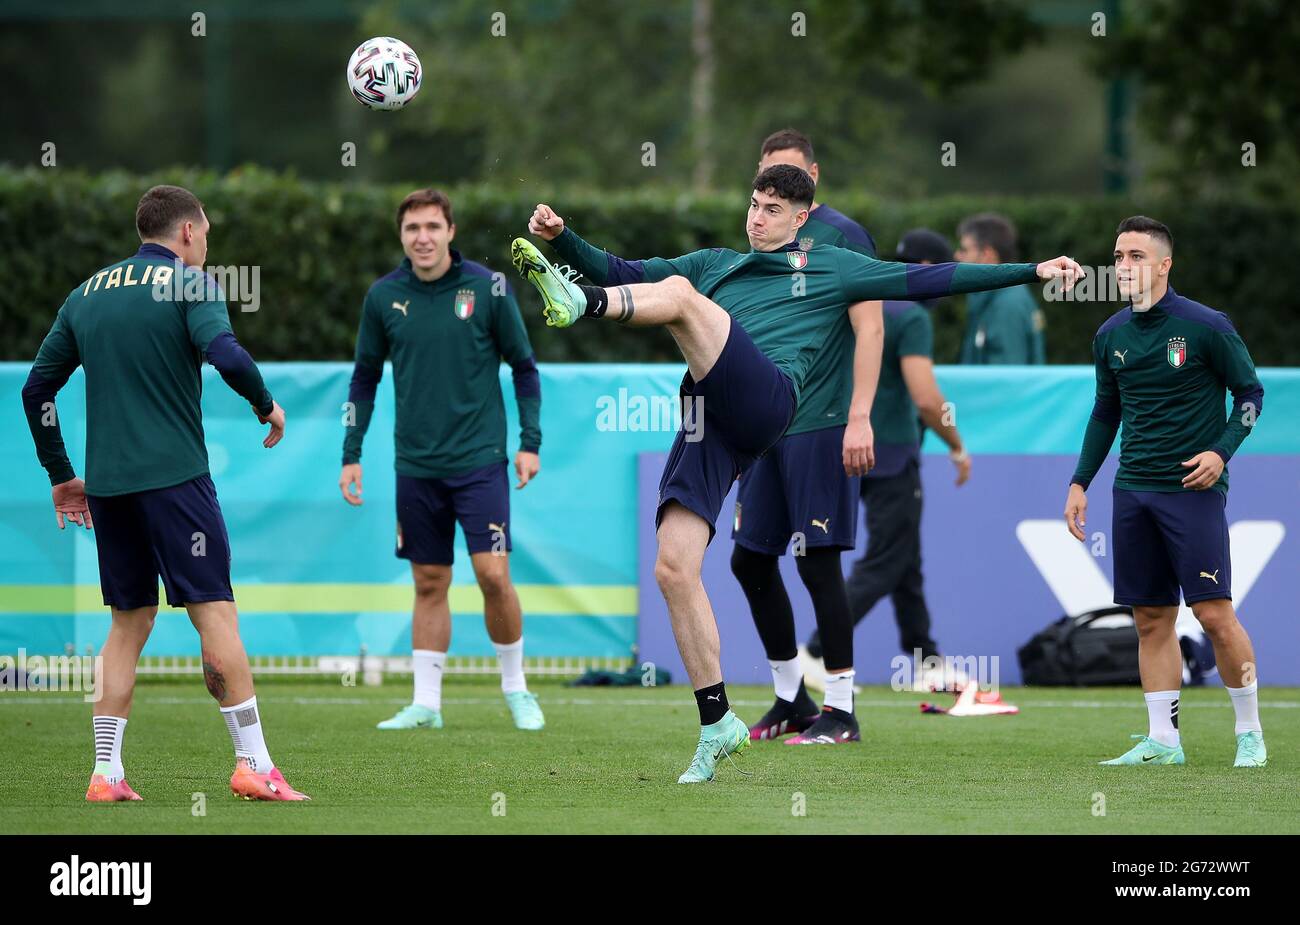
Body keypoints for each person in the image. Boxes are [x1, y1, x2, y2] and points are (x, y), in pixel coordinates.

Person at [514, 164, 1081, 782]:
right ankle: (717, 724)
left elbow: (931, 278)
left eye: (773, 210)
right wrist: (563, 239)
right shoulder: (716, 263)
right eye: (754, 205)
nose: (757, 218)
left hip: (769, 403)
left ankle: (580, 305)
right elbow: (623, 271)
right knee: (674, 567)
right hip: (708, 419)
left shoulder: (830, 267)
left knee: (678, 297)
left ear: (801, 218)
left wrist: (1031, 271)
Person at [21, 184, 309, 801]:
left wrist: (61, 474)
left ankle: (106, 774)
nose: (205, 246)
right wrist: (267, 406)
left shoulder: (86, 293)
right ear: (186, 232)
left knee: (129, 621)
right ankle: (253, 765)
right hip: (176, 481)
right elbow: (226, 354)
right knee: (214, 612)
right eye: (204, 234)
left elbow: (35, 391)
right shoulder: (189, 284)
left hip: (109, 487)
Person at [1065, 216, 1266, 768]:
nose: (1123, 266)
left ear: (1164, 264)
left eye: (1134, 256)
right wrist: (1081, 482)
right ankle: (1163, 741)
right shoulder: (1109, 335)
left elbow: (1250, 394)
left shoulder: (1205, 326)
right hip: (1133, 492)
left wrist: (1220, 451)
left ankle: (1249, 732)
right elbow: (1106, 414)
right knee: (1150, 618)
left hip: (1192, 492)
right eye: (1118, 256)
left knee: (1214, 615)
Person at [340, 189, 545, 733]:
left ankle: (517, 689)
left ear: (451, 231)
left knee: (492, 575)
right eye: (412, 229)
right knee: (429, 581)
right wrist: (351, 454)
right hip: (416, 467)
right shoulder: (383, 298)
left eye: (433, 226)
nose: (423, 238)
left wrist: (530, 443)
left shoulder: (488, 287)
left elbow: (525, 367)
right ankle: (426, 704)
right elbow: (363, 379)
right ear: (401, 236)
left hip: (480, 462)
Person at [732, 130, 883, 745]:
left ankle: (841, 710)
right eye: (766, 182)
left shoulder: (843, 237)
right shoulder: (762, 238)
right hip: (768, 427)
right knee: (749, 560)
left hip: (823, 421)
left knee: (818, 562)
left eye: (789, 178)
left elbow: (870, 328)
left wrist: (860, 414)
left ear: (812, 179)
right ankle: (791, 698)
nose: (775, 193)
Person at [803, 229, 969, 691]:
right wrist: (956, 444)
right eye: (942, 270)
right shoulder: (912, 315)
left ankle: (926, 661)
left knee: (905, 560)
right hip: (893, 454)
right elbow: (926, 399)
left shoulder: (860, 301)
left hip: (846, 445)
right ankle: (816, 651)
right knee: (886, 560)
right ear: (924, 269)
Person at [955, 213, 1046, 364]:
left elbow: (1007, 380)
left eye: (964, 250)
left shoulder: (1007, 305)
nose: (957, 255)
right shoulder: (998, 297)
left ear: (987, 254)